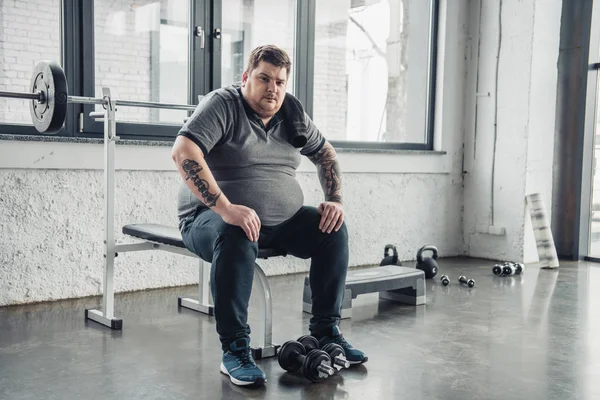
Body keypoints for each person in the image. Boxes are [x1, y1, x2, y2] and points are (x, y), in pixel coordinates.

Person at [171, 44, 367, 387]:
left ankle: (326, 332)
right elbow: (184, 151)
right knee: (234, 232)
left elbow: (326, 154)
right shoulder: (223, 105)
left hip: (280, 222)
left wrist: (334, 199)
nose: (272, 88)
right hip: (208, 218)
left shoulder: (292, 114)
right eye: (264, 78)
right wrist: (227, 209)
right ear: (246, 77)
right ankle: (235, 349)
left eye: (279, 81)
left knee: (333, 230)